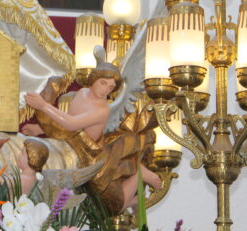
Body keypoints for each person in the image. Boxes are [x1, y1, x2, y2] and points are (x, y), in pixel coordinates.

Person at [23, 64, 161, 213]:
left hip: (91, 156)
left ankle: (140, 174)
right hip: (73, 143)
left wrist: (44, 106)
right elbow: (71, 120)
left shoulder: (102, 110)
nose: (105, 90)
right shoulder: (82, 93)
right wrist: (38, 129)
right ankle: (135, 199)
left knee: (109, 204)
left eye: (110, 87)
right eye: (103, 83)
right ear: (94, 78)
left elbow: (71, 123)